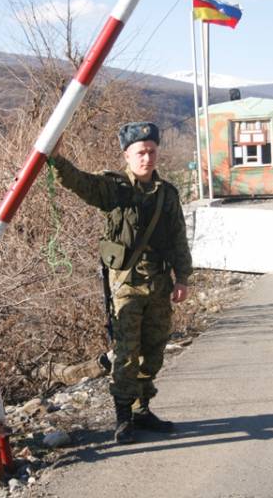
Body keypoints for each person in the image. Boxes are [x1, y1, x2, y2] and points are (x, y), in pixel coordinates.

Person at [50, 121, 192, 444]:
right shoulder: (114, 189)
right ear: (127, 155)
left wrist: (182, 277)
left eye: (151, 151)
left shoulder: (167, 194)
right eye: (140, 152)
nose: (147, 158)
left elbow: (178, 239)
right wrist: (56, 159)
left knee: (153, 351)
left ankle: (142, 410)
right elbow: (80, 182)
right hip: (127, 284)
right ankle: (123, 416)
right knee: (127, 353)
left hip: (159, 283)